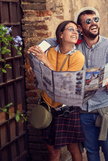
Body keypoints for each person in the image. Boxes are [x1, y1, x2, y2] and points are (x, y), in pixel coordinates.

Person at [40, 7, 108, 161]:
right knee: (90, 150)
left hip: (106, 107)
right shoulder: (75, 45)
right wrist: (39, 47)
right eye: (88, 21)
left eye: (96, 19)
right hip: (83, 110)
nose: (94, 23)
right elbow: (53, 41)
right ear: (80, 27)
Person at [28, 21, 85, 161]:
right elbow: (33, 74)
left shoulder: (78, 57)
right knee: (53, 153)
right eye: (70, 29)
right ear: (61, 34)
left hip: (67, 108)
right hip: (48, 106)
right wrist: (31, 71)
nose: (75, 32)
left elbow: (64, 83)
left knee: (74, 149)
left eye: (76, 30)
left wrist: (46, 62)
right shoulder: (48, 51)